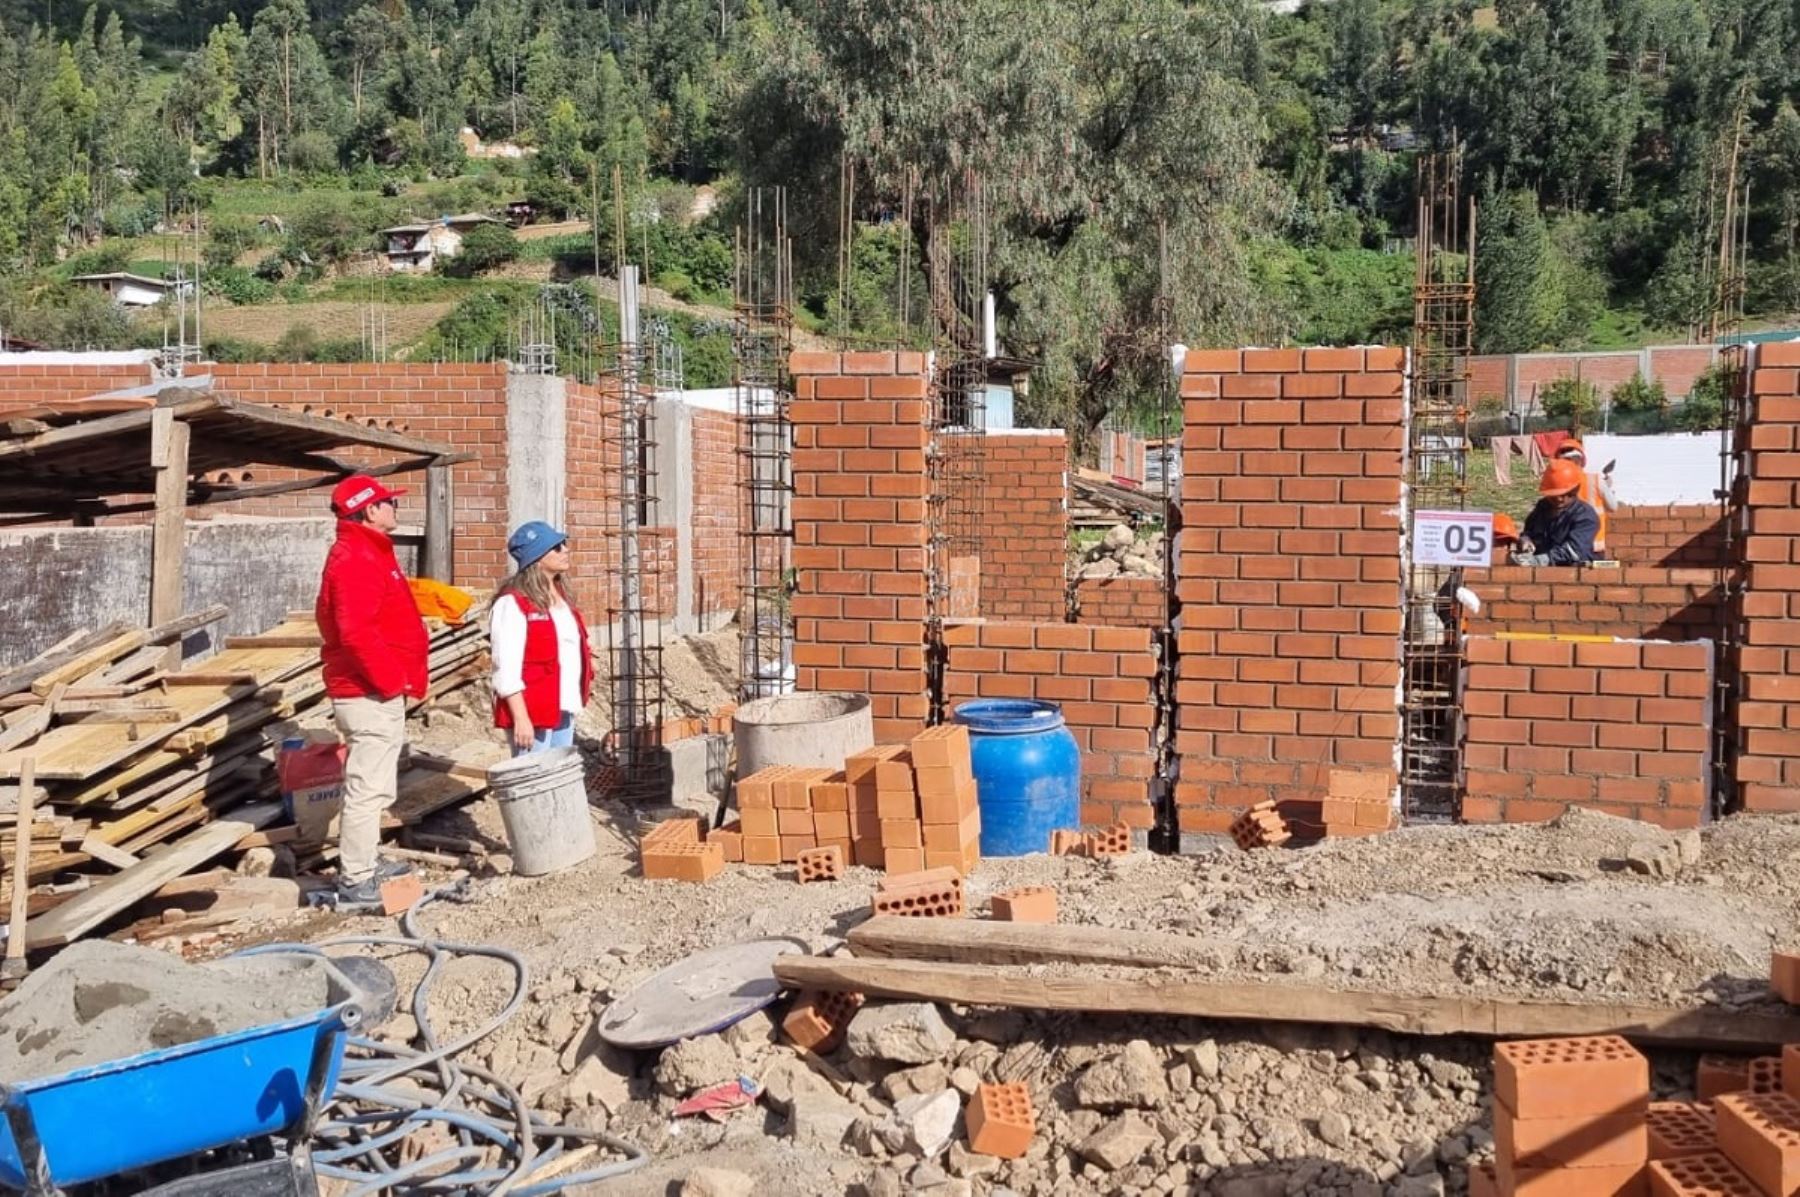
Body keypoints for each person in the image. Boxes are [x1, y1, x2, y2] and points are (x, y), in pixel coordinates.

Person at [316, 474, 429, 908]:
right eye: (388, 503)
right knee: (367, 787)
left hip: (375, 690)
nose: (394, 509)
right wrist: (388, 680)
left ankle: (365, 861)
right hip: (367, 692)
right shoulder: (356, 557)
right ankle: (357, 877)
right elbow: (354, 631)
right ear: (369, 510)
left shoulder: (369, 552)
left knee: (377, 784)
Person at [490, 521, 592, 755]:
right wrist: (521, 717)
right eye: (556, 547)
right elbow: (505, 666)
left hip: (563, 706)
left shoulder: (562, 598)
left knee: (558, 779)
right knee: (533, 782)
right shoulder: (512, 603)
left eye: (564, 544)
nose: (565, 550)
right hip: (533, 713)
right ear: (536, 558)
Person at [1516, 460, 1600, 566]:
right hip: (1540, 575)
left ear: (1574, 491)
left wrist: (1541, 560)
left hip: (1572, 574)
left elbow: (1574, 551)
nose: (1559, 499)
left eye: (1564, 494)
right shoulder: (1542, 507)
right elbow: (1529, 531)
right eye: (1554, 495)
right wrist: (1525, 540)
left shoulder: (1585, 516)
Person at [1556, 440, 1616, 555]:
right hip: (1594, 546)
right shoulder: (1596, 480)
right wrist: (1608, 489)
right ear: (1581, 461)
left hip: (1565, 549)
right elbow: (1613, 507)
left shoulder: (1556, 484)